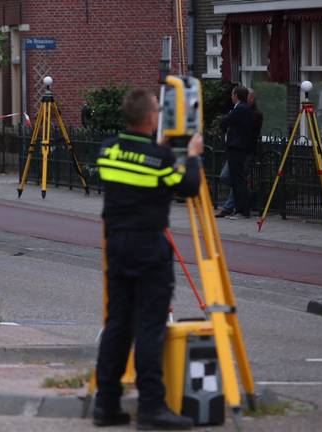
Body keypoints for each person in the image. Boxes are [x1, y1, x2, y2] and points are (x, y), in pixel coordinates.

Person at [94, 88, 203, 430]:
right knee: (149, 328)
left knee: (117, 326)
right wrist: (193, 155)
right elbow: (187, 187)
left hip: (116, 245)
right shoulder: (161, 158)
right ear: (152, 117)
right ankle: (152, 407)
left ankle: (106, 405)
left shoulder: (107, 150)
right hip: (148, 248)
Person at [216, 89, 263, 218]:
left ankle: (242, 209)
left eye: (232, 94)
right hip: (236, 147)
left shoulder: (241, 108)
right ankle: (239, 206)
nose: (231, 97)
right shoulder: (243, 109)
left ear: (236, 96)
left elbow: (225, 121)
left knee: (238, 180)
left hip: (237, 147)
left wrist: (226, 120)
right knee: (235, 179)